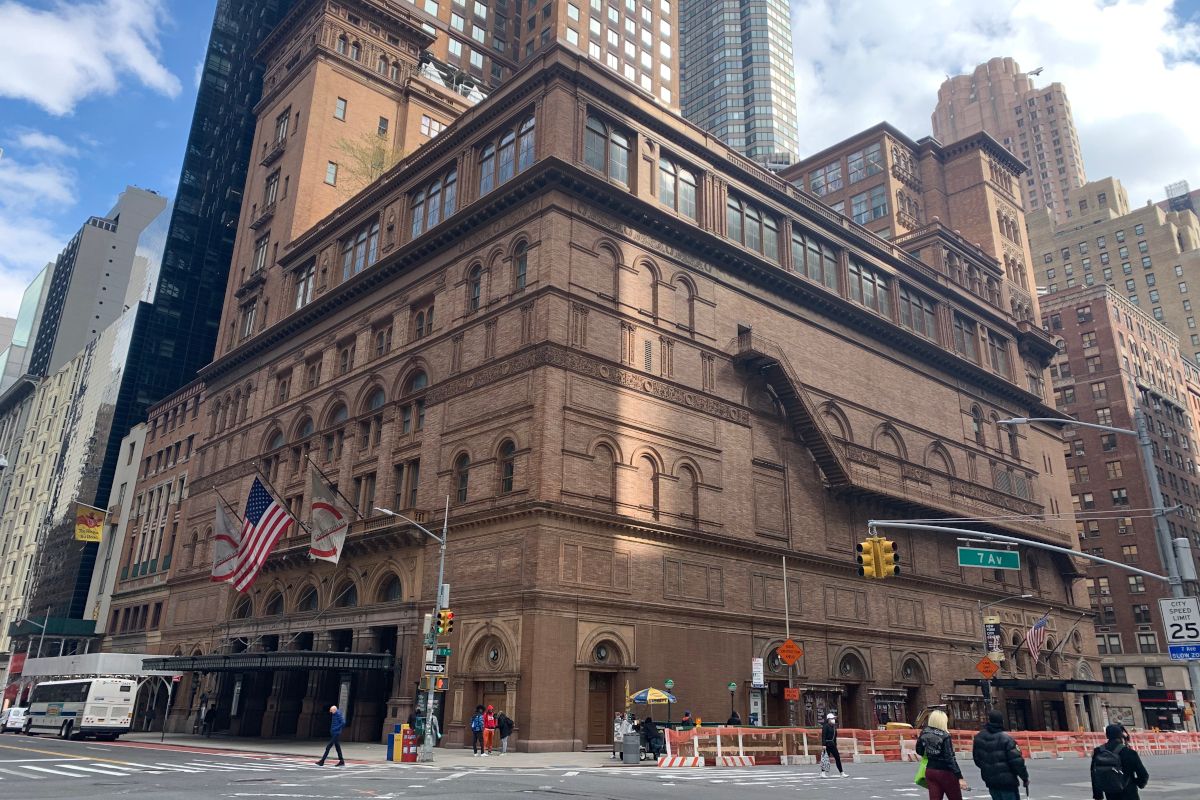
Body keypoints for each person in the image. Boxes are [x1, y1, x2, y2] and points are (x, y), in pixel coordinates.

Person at [971, 710, 1029, 800]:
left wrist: (988, 768)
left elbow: (977, 760)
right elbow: (1017, 762)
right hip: (1008, 782)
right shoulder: (1006, 739)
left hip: (991, 781)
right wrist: (1025, 778)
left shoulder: (979, 737)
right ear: (1001, 721)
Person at [917, 709, 969, 800]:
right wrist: (959, 777)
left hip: (931, 770)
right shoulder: (945, 735)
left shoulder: (924, 733)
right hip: (946, 772)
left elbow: (919, 750)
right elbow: (949, 758)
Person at [1091, 723, 1149, 800]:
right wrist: (1138, 783)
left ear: (1107, 736)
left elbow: (1094, 774)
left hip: (1110, 793)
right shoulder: (1129, 752)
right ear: (1121, 735)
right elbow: (1143, 774)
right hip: (1129, 793)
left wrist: (1098, 795)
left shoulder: (1098, 751)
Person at [821, 712, 847, 778]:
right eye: (832, 718)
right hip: (826, 744)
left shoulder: (834, 727)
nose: (833, 719)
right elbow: (823, 736)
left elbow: (834, 737)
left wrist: (835, 744)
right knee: (825, 759)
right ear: (828, 719)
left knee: (837, 757)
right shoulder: (825, 726)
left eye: (833, 718)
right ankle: (823, 773)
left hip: (832, 744)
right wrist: (823, 745)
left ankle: (842, 772)